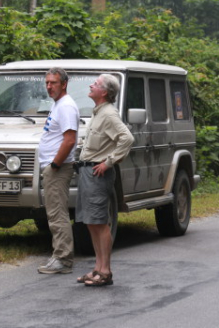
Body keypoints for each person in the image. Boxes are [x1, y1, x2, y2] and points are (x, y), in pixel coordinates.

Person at [75, 74, 134, 287]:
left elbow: (127, 138)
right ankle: (97, 268)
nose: (91, 85)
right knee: (91, 222)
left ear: (105, 92)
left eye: (96, 84)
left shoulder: (109, 114)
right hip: (88, 172)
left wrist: (109, 162)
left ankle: (106, 271)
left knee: (100, 222)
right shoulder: (98, 113)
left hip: (98, 173)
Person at [38, 67, 80, 274]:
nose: (49, 86)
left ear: (64, 84)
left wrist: (54, 165)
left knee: (57, 213)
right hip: (53, 167)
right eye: (47, 83)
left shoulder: (66, 107)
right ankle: (59, 255)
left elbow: (70, 139)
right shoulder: (58, 105)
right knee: (53, 213)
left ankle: (63, 259)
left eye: (53, 83)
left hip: (59, 168)